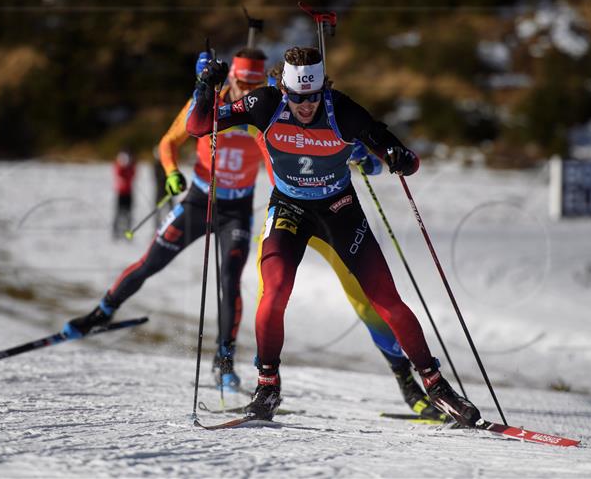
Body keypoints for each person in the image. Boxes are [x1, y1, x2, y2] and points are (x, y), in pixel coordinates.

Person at [186, 46, 481, 426]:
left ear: (323, 87)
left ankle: (436, 387)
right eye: (297, 97)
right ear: (283, 88)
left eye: (312, 97)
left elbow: (398, 151)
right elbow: (198, 126)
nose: (305, 106)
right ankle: (267, 386)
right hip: (289, 209)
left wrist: (399, 157)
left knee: (385, 301)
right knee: (273, 295)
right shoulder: (265, 102)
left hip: (339, 210)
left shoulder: (341, 109)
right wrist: (204, 88)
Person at [64, 47, 270, 391]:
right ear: (231, 75)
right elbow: (168, 143)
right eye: (243, 82)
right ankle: (102, 313)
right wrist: (172, 172)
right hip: (198, 200)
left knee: (230, 280)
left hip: (236, 209)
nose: (248, 91)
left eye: (256, 83)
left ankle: (224, 361)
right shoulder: (207, 101)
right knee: (151, 262)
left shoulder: (265, 110)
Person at [112, 149, 136, 239]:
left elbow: (133, 173)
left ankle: (127, 230)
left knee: (128, 213)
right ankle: (116, 231)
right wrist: (122, 165)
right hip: (121, 193)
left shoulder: (130, 167)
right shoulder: (119, 167)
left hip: (129, 193)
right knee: (119, 213)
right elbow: (117, 172)